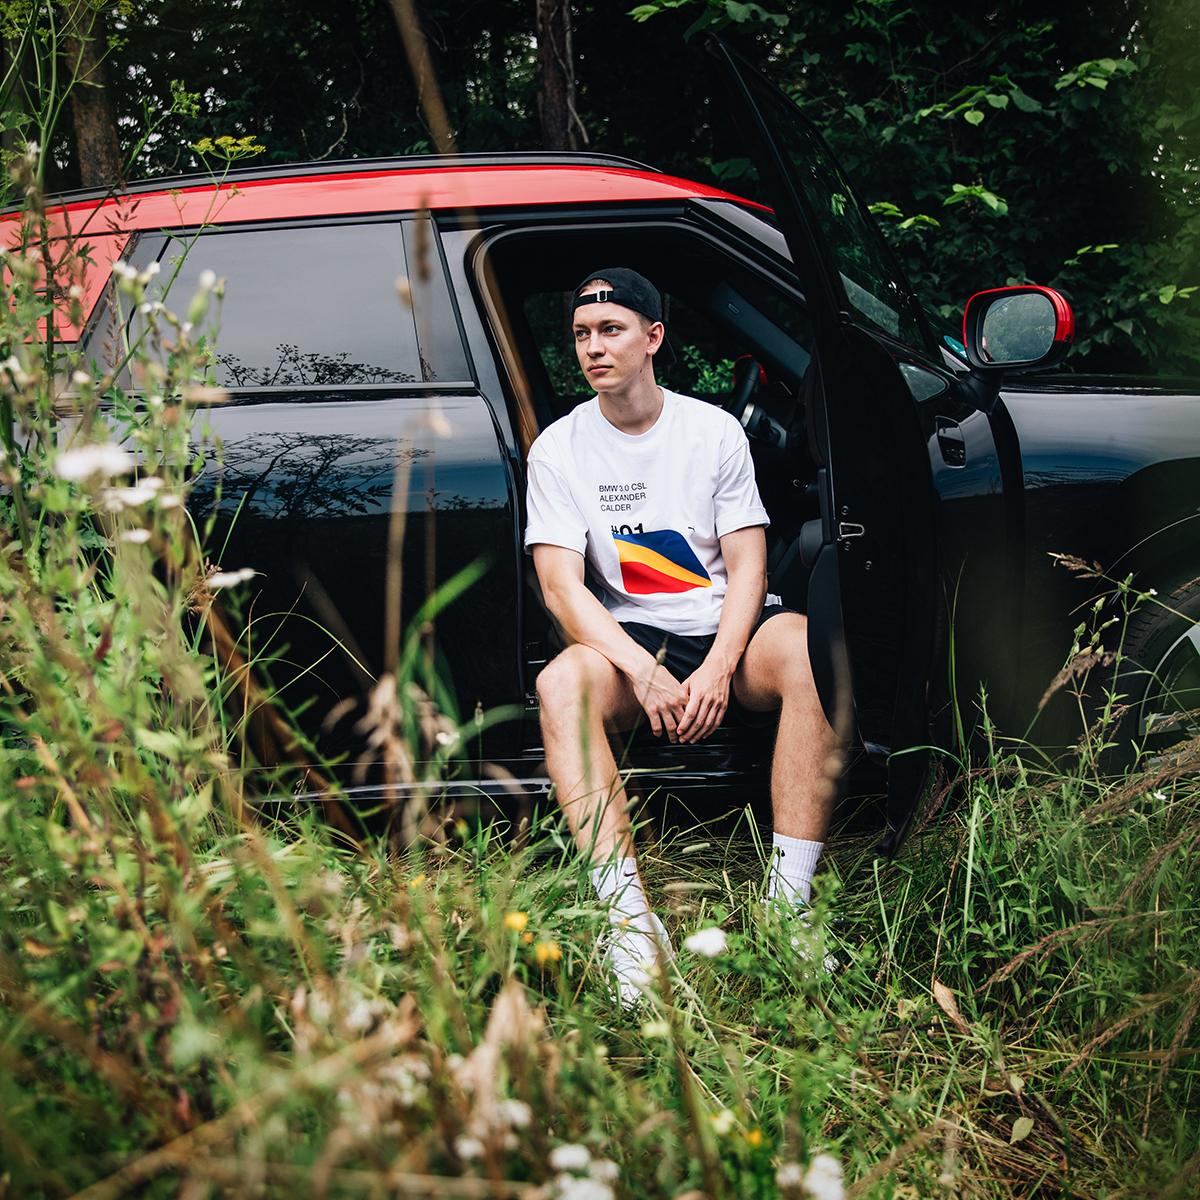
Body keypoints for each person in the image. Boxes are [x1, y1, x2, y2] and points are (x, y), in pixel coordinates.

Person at [524, 267, 840, 1004]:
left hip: (725, 628)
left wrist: (722, 663)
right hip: (632, 635)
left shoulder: (712, 430)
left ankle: (789, 907)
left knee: (811, 649)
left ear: (653, 337)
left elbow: (749, 560)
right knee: (559, 683)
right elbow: (563, 588)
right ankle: (631, 924)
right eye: (581, 335)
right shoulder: (559, 449)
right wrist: (643, 670)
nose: (594, 348)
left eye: (611, 330)